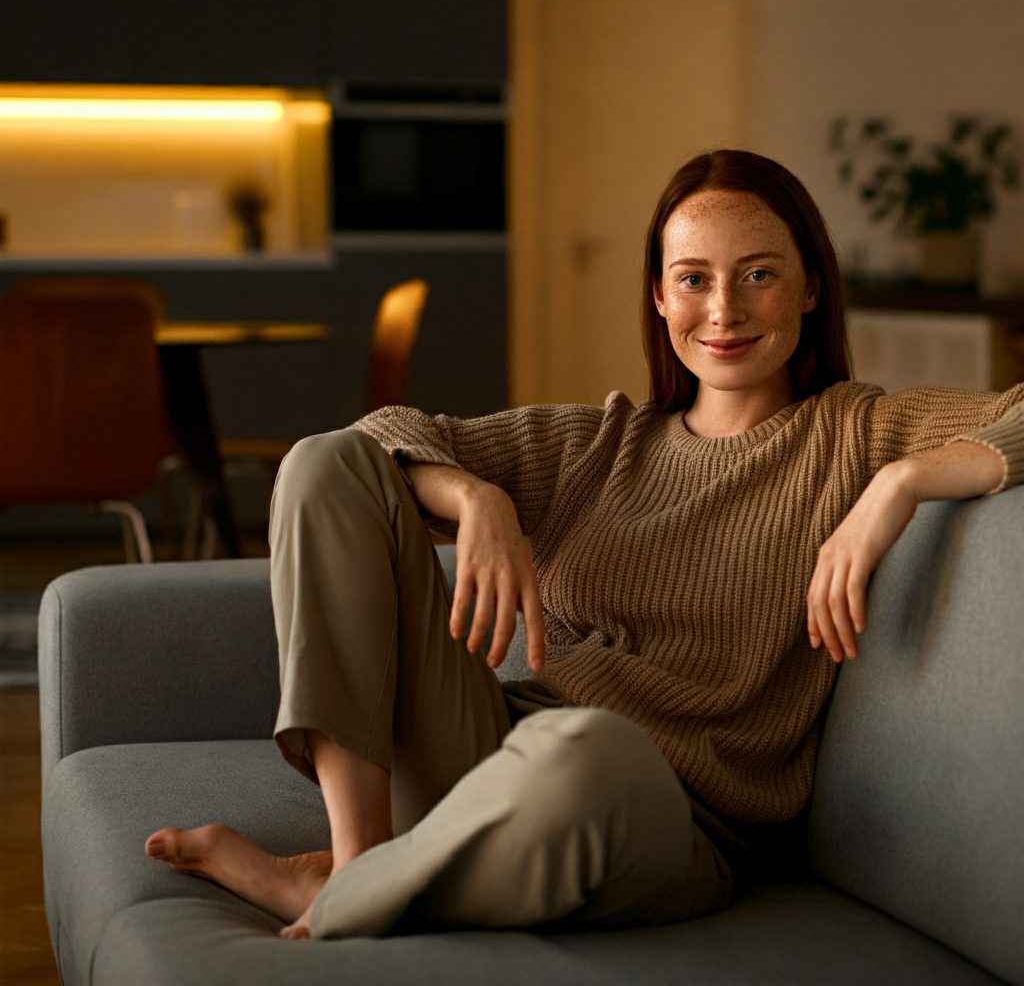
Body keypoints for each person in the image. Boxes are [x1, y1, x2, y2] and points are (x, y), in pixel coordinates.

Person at [145, 149, 1024, 941]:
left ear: (809, 287)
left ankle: (343, 893)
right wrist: (473, 493)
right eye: (693, 279)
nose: (723, 309)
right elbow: (373, 440)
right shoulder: (597, 443)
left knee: (588, 750)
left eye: (758, 275)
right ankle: (359, 855)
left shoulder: (859, 433)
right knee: (320, 460)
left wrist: (900, 483)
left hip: (656, 816)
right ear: (657, 293)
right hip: (491, 750)